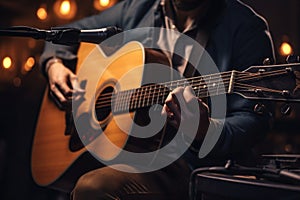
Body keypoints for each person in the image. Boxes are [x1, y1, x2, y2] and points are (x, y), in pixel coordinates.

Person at [39, 0, 275, 199]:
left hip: (189, 164)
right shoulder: (137, 8)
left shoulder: (246, 27)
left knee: (93, 188)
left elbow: (253, 120)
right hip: (125, 151)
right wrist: (54, 65)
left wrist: (205, 130)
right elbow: (61, 35)